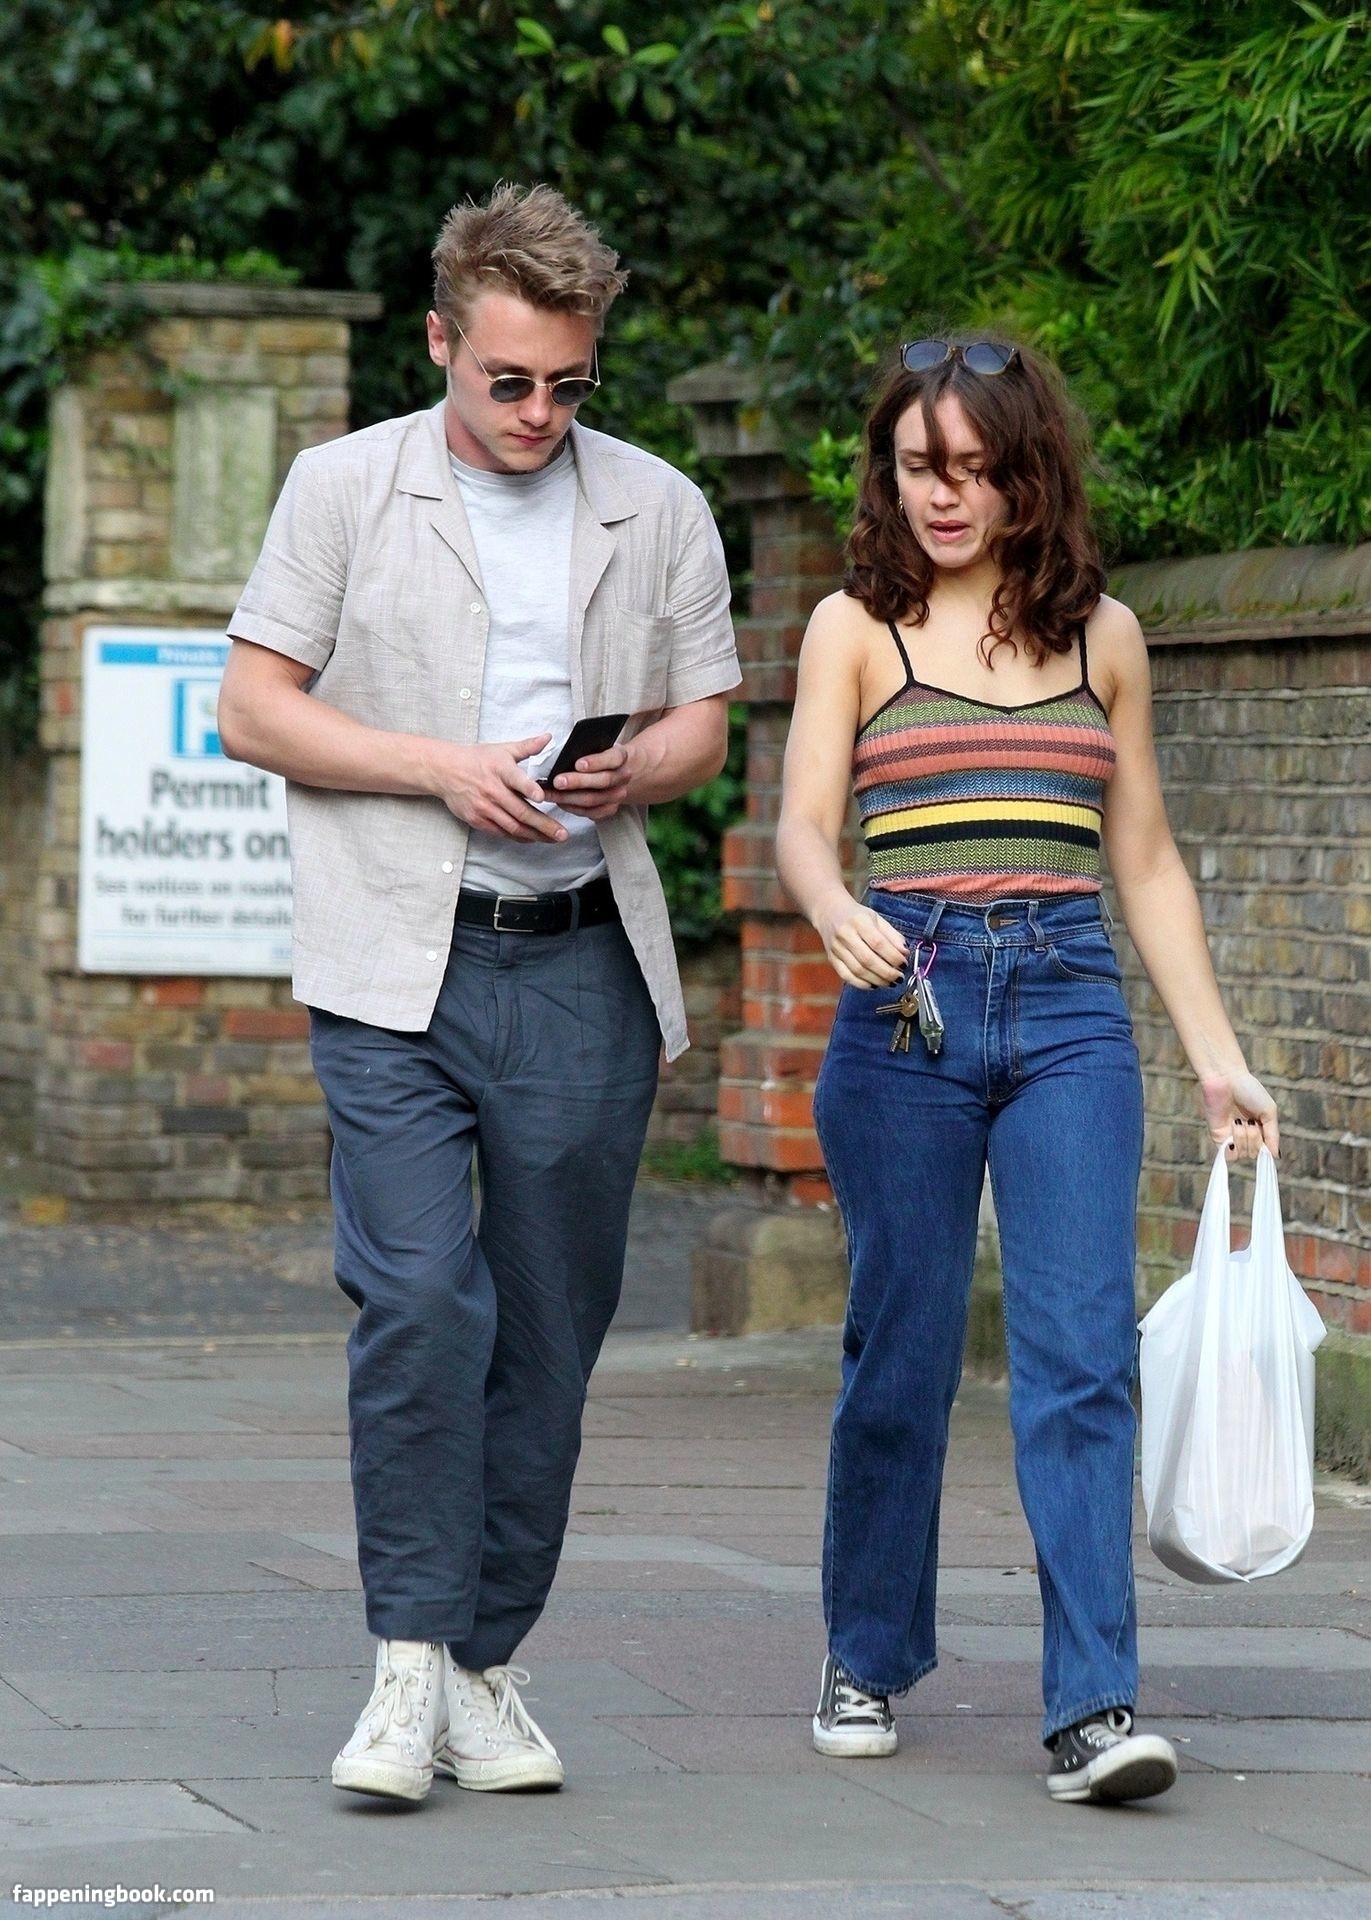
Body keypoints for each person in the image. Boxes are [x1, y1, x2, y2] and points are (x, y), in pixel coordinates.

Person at [219, 182, 740, 1804]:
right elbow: (253, 710)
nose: (537, 414)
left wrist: (631, 768)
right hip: (394, 955)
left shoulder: (658, 505)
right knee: (420, 1302)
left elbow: (704, 725)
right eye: (508, 380)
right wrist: (442, 769)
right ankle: (401, 1665)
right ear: (442, 340)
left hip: (581, 960)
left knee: (553, 1331)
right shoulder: (343, 489)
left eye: (569, 385)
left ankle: (478, 1664)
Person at [775, 333, 1278, 1805]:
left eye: (974, 469)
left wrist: (1219, 1061)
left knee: (1081, 1354)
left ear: (1027, 476)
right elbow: (803, 821)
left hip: (1067, 1005)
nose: (943, 495)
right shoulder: (854, 629)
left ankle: (1094, 1709)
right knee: (904, 1352)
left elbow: (1148, 860)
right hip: (906, 1007)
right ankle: (867, 1651)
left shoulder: (1103, 637)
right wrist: (834, 903)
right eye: (918, 467)